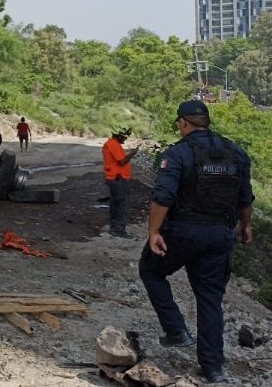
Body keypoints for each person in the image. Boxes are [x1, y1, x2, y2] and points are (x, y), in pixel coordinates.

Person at [139, 100, 253, 384]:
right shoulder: (236, 153)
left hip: (183, 233)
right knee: (210, 299)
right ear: (207, 121)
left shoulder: (178, 154)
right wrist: (246, 226)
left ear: (183, 123)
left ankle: (176, 329)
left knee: (151, 270)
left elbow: (162, 196)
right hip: (219, 236)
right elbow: (245, 197)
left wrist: (154, 232)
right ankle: (213, 368)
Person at [102, 125, 138, 239]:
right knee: (122, 203)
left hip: (114, 178)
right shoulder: (114, 145)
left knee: (115, 203)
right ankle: (118, 229)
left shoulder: (110, 144)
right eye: (124, 137)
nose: (125, 139)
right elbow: (122, 162)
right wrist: (132, 153)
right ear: (118, 135)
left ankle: (114, 227)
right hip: (118, 178)